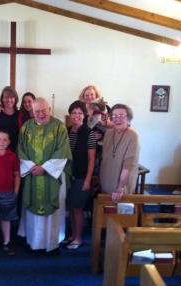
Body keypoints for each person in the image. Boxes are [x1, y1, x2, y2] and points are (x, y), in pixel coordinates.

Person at [17, 97, 72, 254]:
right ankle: (33, 242)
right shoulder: (26, 127)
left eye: (43, 110)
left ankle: (52, 243)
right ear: (32, 112)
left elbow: (63, 151)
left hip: (53, 177)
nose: (40, 114)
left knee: (54, 211)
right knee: (32, 210)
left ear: (49, 109)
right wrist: (32, 166)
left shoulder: (59, 127)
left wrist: (45, 168)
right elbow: (20, 149)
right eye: (37, 111)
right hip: (32, 174)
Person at [64, 100, 96, 250]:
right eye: (73, 113)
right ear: (70, 115)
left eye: (79, 113)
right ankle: (72, 235)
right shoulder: (67, 130)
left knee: (78, 208)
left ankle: (78, 238)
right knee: (70, 206)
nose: (76, 116)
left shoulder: (89, 133)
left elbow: (91, 159)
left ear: (84, 115)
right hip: (69, 175)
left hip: (82, 176)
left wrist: (88, 180)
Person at [100, 104, 140, 202]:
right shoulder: (108, 133)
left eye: (121, 116)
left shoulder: (132, 135)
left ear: (129, 118)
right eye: (114, 116)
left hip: (121, 187)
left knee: (120, 215)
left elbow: (129, 164)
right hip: (105, 182)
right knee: (104, 213)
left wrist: (121, 188)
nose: (118, 119)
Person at [0, 86, 19, 152]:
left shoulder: (20, 114)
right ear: (2, 99)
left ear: (15, 99)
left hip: (16, 150)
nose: (9, 100)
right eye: (6, 97)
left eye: (12, 97)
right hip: (1, 150)